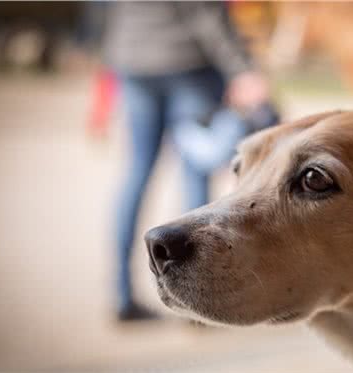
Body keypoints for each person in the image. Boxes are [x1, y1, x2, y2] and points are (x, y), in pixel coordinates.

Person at [103, 1, 272, 321]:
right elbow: (205, 10)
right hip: (187, 63)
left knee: (137, 172)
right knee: (195, 171)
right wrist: (242, 68)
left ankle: (121, 294)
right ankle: (196, 300)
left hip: (132, 60)